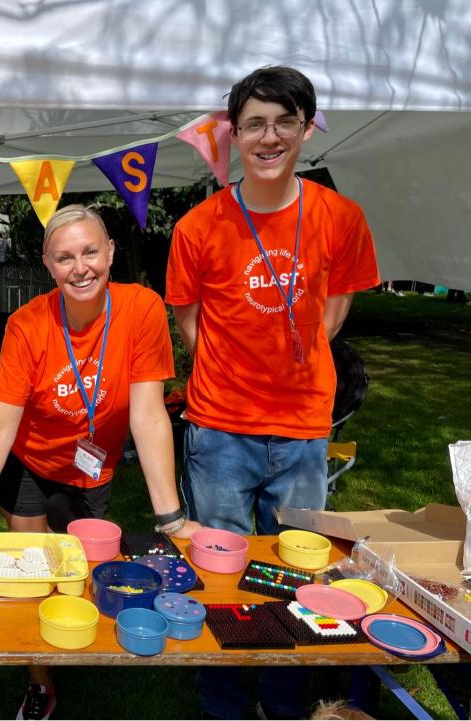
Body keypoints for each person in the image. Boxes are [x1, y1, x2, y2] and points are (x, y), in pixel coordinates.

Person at [165, 66, 380, 719]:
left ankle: (286, 704)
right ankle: (227, 705)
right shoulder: (199, 226)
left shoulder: (339, 216)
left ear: (306, 128)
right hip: (220, 430)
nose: (269, 136)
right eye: (255, 122)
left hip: (303, 430)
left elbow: (337, 304)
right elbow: (190, 321)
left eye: (285, 120)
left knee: (294, 576)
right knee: (223, 577)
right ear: (234, 134)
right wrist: (240, 368)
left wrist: (292, 355)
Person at [0, 204, 201, 720]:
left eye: (90, 252)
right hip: (28, 462)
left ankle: (73, 634)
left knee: (84, 566)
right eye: (65, 257)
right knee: (29, 569)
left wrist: (170, 518)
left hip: (91, 469)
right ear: (48, 264)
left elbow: (149, 416)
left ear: (110, 253)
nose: (80, 267)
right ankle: (40, 680)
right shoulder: (26, 323)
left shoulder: (142, 309)